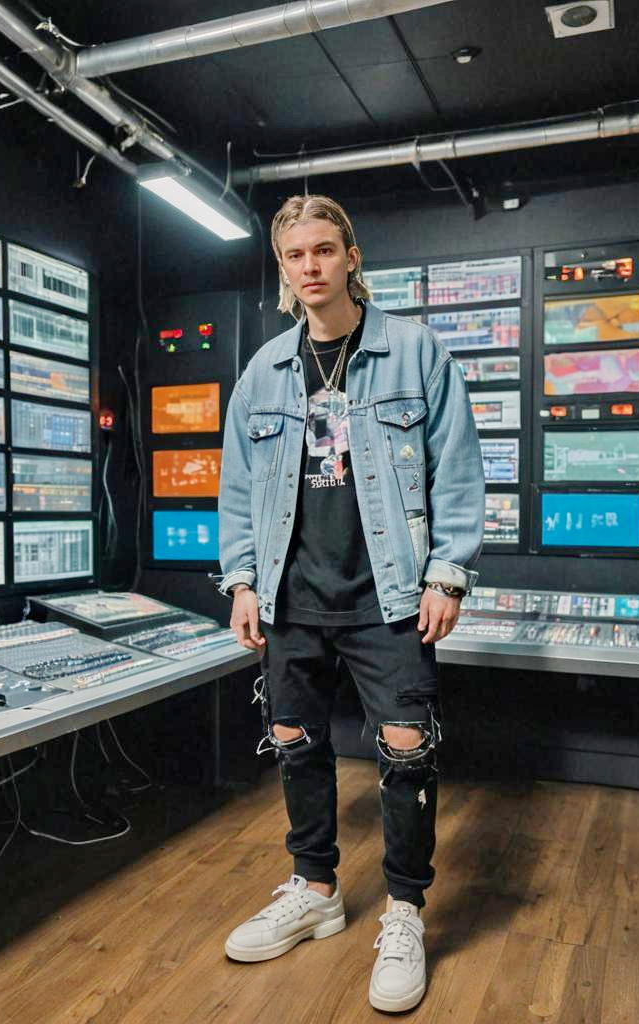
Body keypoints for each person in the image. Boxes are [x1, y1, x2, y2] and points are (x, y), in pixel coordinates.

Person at [217, 194, 484, 1013]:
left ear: (351, 255)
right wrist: (240, 580)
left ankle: (404, 909)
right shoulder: (262, 372)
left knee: (405, 749)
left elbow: (458, 469)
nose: (311, 267)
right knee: (295, 741)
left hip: (390, 593)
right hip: (292, 593)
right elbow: (236, 491)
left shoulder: (415, 352)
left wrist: (447, 573)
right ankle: (316, 889)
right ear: (283, 268)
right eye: (295, 255)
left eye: (325, 250)